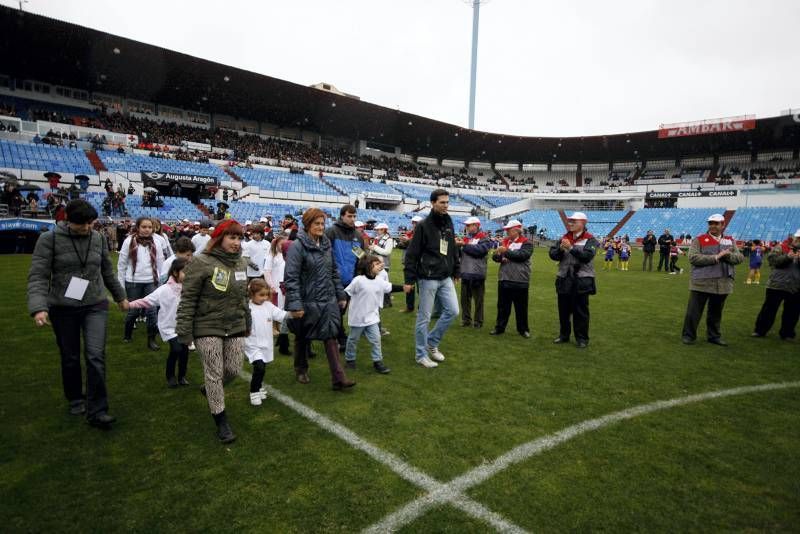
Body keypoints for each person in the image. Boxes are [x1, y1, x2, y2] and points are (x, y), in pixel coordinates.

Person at [27, 199, 129, 428]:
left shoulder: (98, 238)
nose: (86, 228)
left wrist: (121, 296)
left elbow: (107, 270)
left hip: (95, 303)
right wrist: (39, 307)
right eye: (81, 224)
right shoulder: (49, 239)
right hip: (63, 307)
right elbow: (39, 276)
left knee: (95, 355)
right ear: (67, 220)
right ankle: (75, 397)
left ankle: (98, 409)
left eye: (90, 223)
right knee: (70, 357)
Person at [176, 219, 251, 444]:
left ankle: (209, 389)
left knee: (234, 369)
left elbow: (243, 297)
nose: (237, 242)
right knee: (214, 372)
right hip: (207, 325)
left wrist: (247, 321)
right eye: (232, 237)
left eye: (239, 238)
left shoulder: (241, 263)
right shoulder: (200, 262)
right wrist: (184, 330)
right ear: (219, 239)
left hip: (235, 324)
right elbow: (188, 298)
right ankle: (221, 421)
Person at [284, 208, 356, 390]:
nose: (320, 227)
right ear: (307, 225)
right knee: (302, 337)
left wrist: (340, 294)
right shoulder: (297, 247)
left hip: (327, 299)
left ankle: (338, 378)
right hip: (306, 300)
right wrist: (295, 304)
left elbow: (333, 272)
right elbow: (291, 277)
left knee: (330, 335)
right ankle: (300, 368)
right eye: (317, 223)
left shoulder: (325, 245)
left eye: (323, 223)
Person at [403, 189, 460, 368]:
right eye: (442, 202)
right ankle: (421, 355)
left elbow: (452, 248)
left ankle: (432, 342)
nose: (446, 206)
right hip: (427, 278)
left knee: (453, 311)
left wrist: (456, 269)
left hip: (445, 276)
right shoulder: (423, 226)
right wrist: (409, 279)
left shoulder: (449, 221)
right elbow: (412, 254)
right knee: (424, 318)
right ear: (433, 203)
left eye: (447, 202)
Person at [681, 214, 744, 346]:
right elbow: (693, 258)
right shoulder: (699, 239)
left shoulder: (730, 240)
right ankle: (688, 335)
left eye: (716, 223)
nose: (712, 226)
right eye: (710, 223)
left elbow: (739, 258)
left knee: (716, 313)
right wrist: (715, 257)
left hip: (723, 283)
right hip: (701, 282)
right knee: (694, 312)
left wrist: (727, 256)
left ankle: (714, 336)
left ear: (723, 225)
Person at [128, 258, 190, 388]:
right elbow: (146, 301)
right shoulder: (164, 290)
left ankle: (182, 376)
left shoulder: (190, 290)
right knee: (176, 349)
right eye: (185, 271)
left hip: (184, 327)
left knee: (184, 352)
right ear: (175, 272)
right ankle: (170, 376)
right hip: (169, 327)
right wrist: (129, 305)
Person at [549, 211, 599, 349]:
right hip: (564, 278)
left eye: (574, 221)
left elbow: (587, 256)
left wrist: (570, 248)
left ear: (583, 223)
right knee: (563, 310)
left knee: (580, 311)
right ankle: (564, 335)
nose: (570, 223)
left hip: (582, 279)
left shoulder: (591, 240)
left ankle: (582, 338)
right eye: (570, 221)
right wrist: (560, 249)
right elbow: (553, 255)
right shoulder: (563, 238)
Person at [344, 255, 398, 374]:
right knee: (353, 339)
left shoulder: (379, 281)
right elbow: (347, 292)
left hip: (372, 317)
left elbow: (389, 287)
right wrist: (343, 301)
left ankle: (377, 361)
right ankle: (350, 359)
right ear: (368, 266)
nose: (381, 265)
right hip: (358, 317)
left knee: (376, 339)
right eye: (377, 264)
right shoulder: (358, 280)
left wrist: (403, 288)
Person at [244, 279, 295, 406]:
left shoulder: (268, 306)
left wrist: (293, 314)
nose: (264, 298)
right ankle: (254, 392)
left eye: (266, 295)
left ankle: (259, 386)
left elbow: (281, 315)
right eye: (261, 295)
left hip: (265, 343)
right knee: (259, 367)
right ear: (251, 294)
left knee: (263, 367)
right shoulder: (247, 308)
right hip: (253, 344)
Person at [118, 217, 165, 351]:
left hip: (151, 281)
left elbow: (161, 263)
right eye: (144, 227)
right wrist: (121, 285)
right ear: (138, 228)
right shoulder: (129, 241)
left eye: (149, 227)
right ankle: (127, 334)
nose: (147, 230)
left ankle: (151, 339)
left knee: (151, 312)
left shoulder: (157, 241)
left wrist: (161, 283)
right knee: (133, 311)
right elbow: (121, 264)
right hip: (133, 282)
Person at [325, 204, 364, 349]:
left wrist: (360, 275)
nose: (352, 219)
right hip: (333, 280)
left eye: (354, 216)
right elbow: (324, 255)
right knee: (335, 310)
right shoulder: (331, 232)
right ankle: (339, 337)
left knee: (341, 310)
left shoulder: (358, 236)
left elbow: (360, 257)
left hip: (350, 281)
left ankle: (336, 335)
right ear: (342, 216)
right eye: (349, 216)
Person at [752, 230, 800, 340]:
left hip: (796, 285)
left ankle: (787, 333)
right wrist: (788, 257)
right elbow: (772, 261)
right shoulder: (781, 247)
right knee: (769, 309)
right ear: (795, 238)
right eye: (798, 238)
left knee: (792, 312)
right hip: (777, 283)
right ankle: (760, 330)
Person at [490, 219, 533, 338]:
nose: (506, 232)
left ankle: (523, 329)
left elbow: (522, 256)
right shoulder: (505, 241)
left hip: (520, 279)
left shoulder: (527, 243)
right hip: (504, 278)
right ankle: (499, 327)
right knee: (502, 306)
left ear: (516, 230)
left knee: (521, 308)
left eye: (509, 229)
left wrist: (506, 252)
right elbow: (495, 256)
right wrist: (499, 257)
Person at [457, 216, 491, 328]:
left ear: (476, 225)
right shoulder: (466, 239)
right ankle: (466, 320)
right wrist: (457, 246)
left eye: (468, 225)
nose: (466, 227)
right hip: (466, 272)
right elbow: (460, 254)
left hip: (477, 274)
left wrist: (464, 245)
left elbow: (480, 251)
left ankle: (478, 321)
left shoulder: (484, 238)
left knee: (478, 300)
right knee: (464, 300)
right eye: (466, 225)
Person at [265, 234, 291, 355]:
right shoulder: (272, 255)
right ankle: (273, 328)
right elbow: (267, 271)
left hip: (286, 285)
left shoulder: (288, 255)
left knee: (283, 308)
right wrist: (271, 285)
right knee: (275, 307)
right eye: (281, 243)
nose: (283, 246)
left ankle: (281, 329)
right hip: (276, 285)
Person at [397, 215, 423, 313]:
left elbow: (419, 245)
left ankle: (421, 309)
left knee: (421, 288)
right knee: (409, 286)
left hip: (420, 264)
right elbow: (400, 246)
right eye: (413, 222)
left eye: (416, 223)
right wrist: (402, 242)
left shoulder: (423, 234)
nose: (414, 224)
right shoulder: (409, 233)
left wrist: (408, 241)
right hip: (409, 264)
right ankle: (409, 307)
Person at [370, 222, 395, 308]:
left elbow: (387, 252)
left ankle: (387, 302)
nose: (377, 231)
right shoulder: (377, 238)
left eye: (379, 229)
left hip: (384, 264)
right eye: (377, 229)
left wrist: (374, 248)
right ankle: (380, 301)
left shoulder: (389, 240)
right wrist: (371, 249)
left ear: (384, 230)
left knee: (385, 283)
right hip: (375, 264)